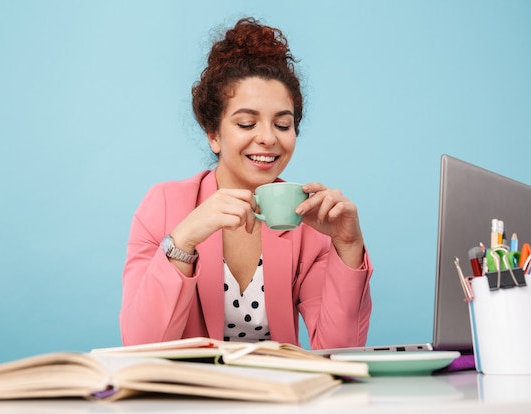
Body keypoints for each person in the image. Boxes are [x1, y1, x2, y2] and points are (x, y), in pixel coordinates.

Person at [119, 17, 372, 350]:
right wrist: (186, 237)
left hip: (276, 396)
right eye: (247, 122)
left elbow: (339, 351)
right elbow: (141, 346)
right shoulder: (163, 205)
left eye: (283, 125)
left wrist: (348, 246)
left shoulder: (308, 222)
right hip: (192, 396)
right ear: (214, 134)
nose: (267, 138)